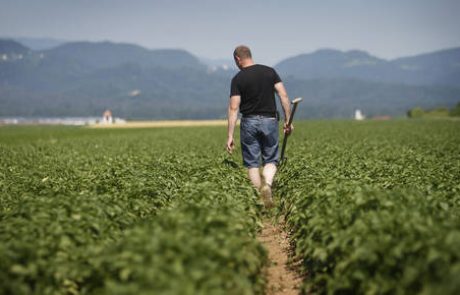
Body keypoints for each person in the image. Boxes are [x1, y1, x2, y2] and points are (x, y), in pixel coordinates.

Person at [226, 45, 293, 208]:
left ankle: (260, 197)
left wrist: (230, 135)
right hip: (269, 120)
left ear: (237, 59)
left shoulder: (238, 79)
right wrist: (288, 120)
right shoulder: (270, 72)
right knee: (271, 159)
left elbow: (234, 107)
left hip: (248, 122)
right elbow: (283, 95)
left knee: (252, 163)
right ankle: (267, 185)